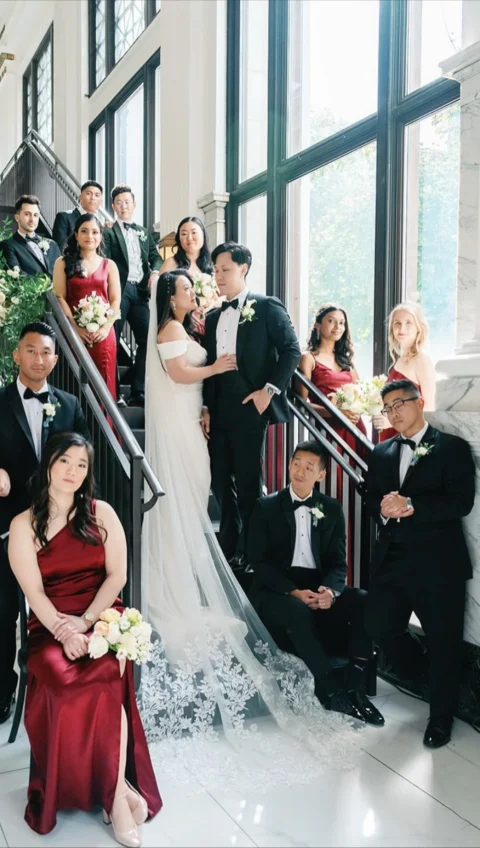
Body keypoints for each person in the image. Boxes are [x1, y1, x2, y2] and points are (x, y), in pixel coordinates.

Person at [141, 270, 363, 788]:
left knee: (208, 497)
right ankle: (177, 581)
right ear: (169, 298)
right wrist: (215, 366)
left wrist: (258, 389)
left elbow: (283, 350)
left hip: (202, 420)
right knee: (197, 500)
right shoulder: (171, 331)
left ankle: (208, 564)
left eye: (209, 280)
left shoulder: (249, 310)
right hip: (183, 424)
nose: (198, 291)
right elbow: (177, 375)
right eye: (188, 290)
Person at [8, 432, 162, 842]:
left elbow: (118, 575)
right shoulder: (23, 524)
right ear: (48, 465)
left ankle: (112, 797)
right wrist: (62, 628)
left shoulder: (102, 513)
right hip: (48, 624)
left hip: (100, 618)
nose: (73, 472)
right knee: (61, 681)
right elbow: (33, 592)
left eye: (81, 465)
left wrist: (88, 621)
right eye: (65, 461)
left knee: (106, 674)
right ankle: (113, 791)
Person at [0, 322, 90, 726]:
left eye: (46, 353)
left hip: (58, 532)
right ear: (16, 355)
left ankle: (55, 682)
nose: (39, 359)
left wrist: (75, 523)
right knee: (5, 611)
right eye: (30, 350)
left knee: (55, 607)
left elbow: (82, 467)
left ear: (56, 359)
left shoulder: (70, 405)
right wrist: (7, 531)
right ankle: (3, 691)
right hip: (6, 530)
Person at [365, 379, 475, 749]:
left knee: (445, 643)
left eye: (400, 404)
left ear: (420, 401)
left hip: (439, 563)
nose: (394, 413)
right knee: (379, 625)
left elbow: (462, 502)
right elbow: (369, 499)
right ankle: (420, 672)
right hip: (392, 559)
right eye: (388, 408)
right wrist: (382, 509)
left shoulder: (452, 448)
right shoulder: (380, 452)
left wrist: (411, 506)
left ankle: (440, 720)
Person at [248, 440, 384, 726]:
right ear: (289, 465)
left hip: (318, 584)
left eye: (309, 467)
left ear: (320, 475)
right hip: (277, 589)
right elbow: (258, 564)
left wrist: (330, 592)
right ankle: (329, 690)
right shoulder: (266, 506)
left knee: (363, 600)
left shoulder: (331, 508)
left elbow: (337, 563)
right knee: (297, 611)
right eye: (296, 463)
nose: (300, 471)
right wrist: (294, 591)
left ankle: (355, 687)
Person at [201, 242, 301, 572]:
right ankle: (229, 545)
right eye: (215, 270)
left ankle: (250, 550)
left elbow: (291, 350)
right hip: (218, 409)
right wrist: (205, 407)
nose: (219, 276)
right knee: (218, 480)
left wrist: (267, 392)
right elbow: (209, 367)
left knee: (247, 482)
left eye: (225, 270)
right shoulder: (213, 317)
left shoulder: (267, 306)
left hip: (250, 407)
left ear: (243, 269)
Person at [298, 304, 368, 514]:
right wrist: (335, 413)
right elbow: (302, 403)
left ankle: (357, 541)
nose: (338, 326)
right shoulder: (308, 358)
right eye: (331, 320)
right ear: (318, 325)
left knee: (358, 482)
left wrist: (360, 408)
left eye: (342, 322)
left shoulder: (348, 363)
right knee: (334, 484)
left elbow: (361, 394)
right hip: (329, 431)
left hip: (355, 429)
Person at [102, 185, 163, 407]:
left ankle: (138, 390)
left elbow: (156, 257)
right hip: (119, 289)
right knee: (113, 340)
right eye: (119, 202)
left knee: (148, 340)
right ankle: (115, 393)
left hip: (140, 291)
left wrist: (155, 271)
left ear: (134, 205)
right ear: (113, 206)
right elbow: (105, 259)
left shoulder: (143, 232)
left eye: (127, 202)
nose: (124, 206)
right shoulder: (107, 231)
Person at [53, 214, 121, 400]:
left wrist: (106, 327)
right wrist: (75, 328)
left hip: (103, 334)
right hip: (72, 332)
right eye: (84, 231)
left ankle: (105, 428)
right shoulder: (62, 263)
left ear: (100, 236)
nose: (89, 236)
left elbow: (115, 300)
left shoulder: (110, 265)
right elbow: (60, 297)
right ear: (76, 235)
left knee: (103, 382)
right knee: (74, 382)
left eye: (95, 232)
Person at [372, 302, 436, 441]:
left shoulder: (421, 359)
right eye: (397, 323)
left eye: (408, 323)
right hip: (392, 435)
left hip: (409, 436)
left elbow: (429, 408)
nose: (402, 328)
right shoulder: (400, 360)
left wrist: (392, 421)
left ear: (418, 328)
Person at [159, 216, 221, 335]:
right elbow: (161, 297)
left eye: (194, 232)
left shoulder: (213, 264)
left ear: (203, 235)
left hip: (211, 322)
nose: (189, 238)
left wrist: (210, 304)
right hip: (182, 325)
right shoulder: (171, 263)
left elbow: (223, 295)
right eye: (184, 234)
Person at [0, 195, 61, 277]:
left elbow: (62, 272)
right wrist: (47, 286)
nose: (32, 219)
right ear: (17, 218)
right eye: (27, 214)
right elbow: (17, 276)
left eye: (35, 215)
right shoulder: (7, 245)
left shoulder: (52, 244)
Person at [51, 180, 103, 252]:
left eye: (97, 195)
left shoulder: (100, 223)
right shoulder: (64, 217)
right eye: (88, 193)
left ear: (101, 201)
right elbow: (60, 248)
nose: (92, 198)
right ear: (80, 197)